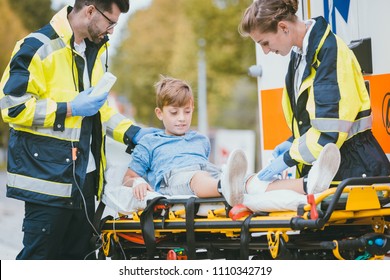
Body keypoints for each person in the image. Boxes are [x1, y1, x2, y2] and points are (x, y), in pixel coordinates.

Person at [0, 0, 154, 260]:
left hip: (84, 182)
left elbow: (96, 110)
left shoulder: (93, 51)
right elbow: (12, 106)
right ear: (91, 10)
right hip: (48, 183)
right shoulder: (37, 47)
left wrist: (132, 132)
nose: (112, 31)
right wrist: (69, 108)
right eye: (110, 22)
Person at [118, 76, 341, 215]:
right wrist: (137, 181)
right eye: (174, 113)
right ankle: (226, 186)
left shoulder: (200, 140)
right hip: (175, 180)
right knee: (198, 178)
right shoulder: (149, 142)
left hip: (208, 175)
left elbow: (205, 171)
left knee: (252, 181)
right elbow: (127, 177)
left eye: (187, 112)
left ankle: (308, 184)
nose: (181, 118)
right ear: (159, 113)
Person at [238, 0, 390, 182]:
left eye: (265, 42)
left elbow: (328, 132)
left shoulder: (329, 52)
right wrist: (291, 142)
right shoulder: (299, 56)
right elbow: (313, 120)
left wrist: (288, 158)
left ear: (283, 27)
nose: (265, 51)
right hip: (334, 165)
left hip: (353, 167)